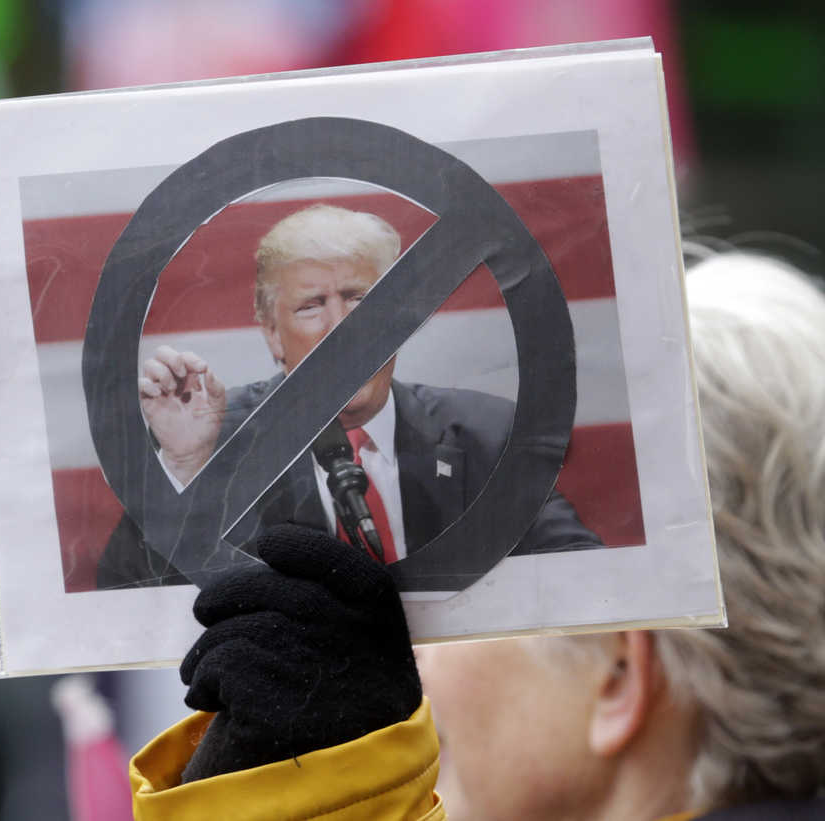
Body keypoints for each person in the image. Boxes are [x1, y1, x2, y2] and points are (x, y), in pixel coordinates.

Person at [128, 251, 825, 820]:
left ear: (616, 672)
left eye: (450, 584)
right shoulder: (224, 429)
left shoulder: (470, 433)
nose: (407, 656)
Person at [97, 203, 600, 589]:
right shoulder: (213, 445)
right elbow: (124, 596)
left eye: (362, 299)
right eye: (312, 306)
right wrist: (184, 469)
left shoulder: (485, 434)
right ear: (273, 334)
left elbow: (588, 580)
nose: (342, 327)